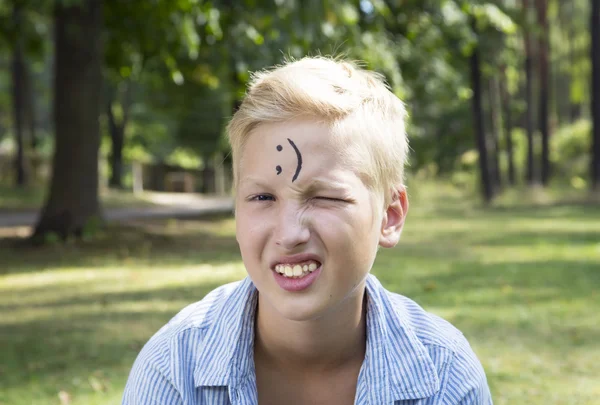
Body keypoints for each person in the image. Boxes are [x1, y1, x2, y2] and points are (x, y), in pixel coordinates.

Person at [122, 56, 493, 405]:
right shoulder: (175, 371)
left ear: (390, 216)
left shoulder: (445, 377)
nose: (289, 233)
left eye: (326, 197)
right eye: (263, 196)